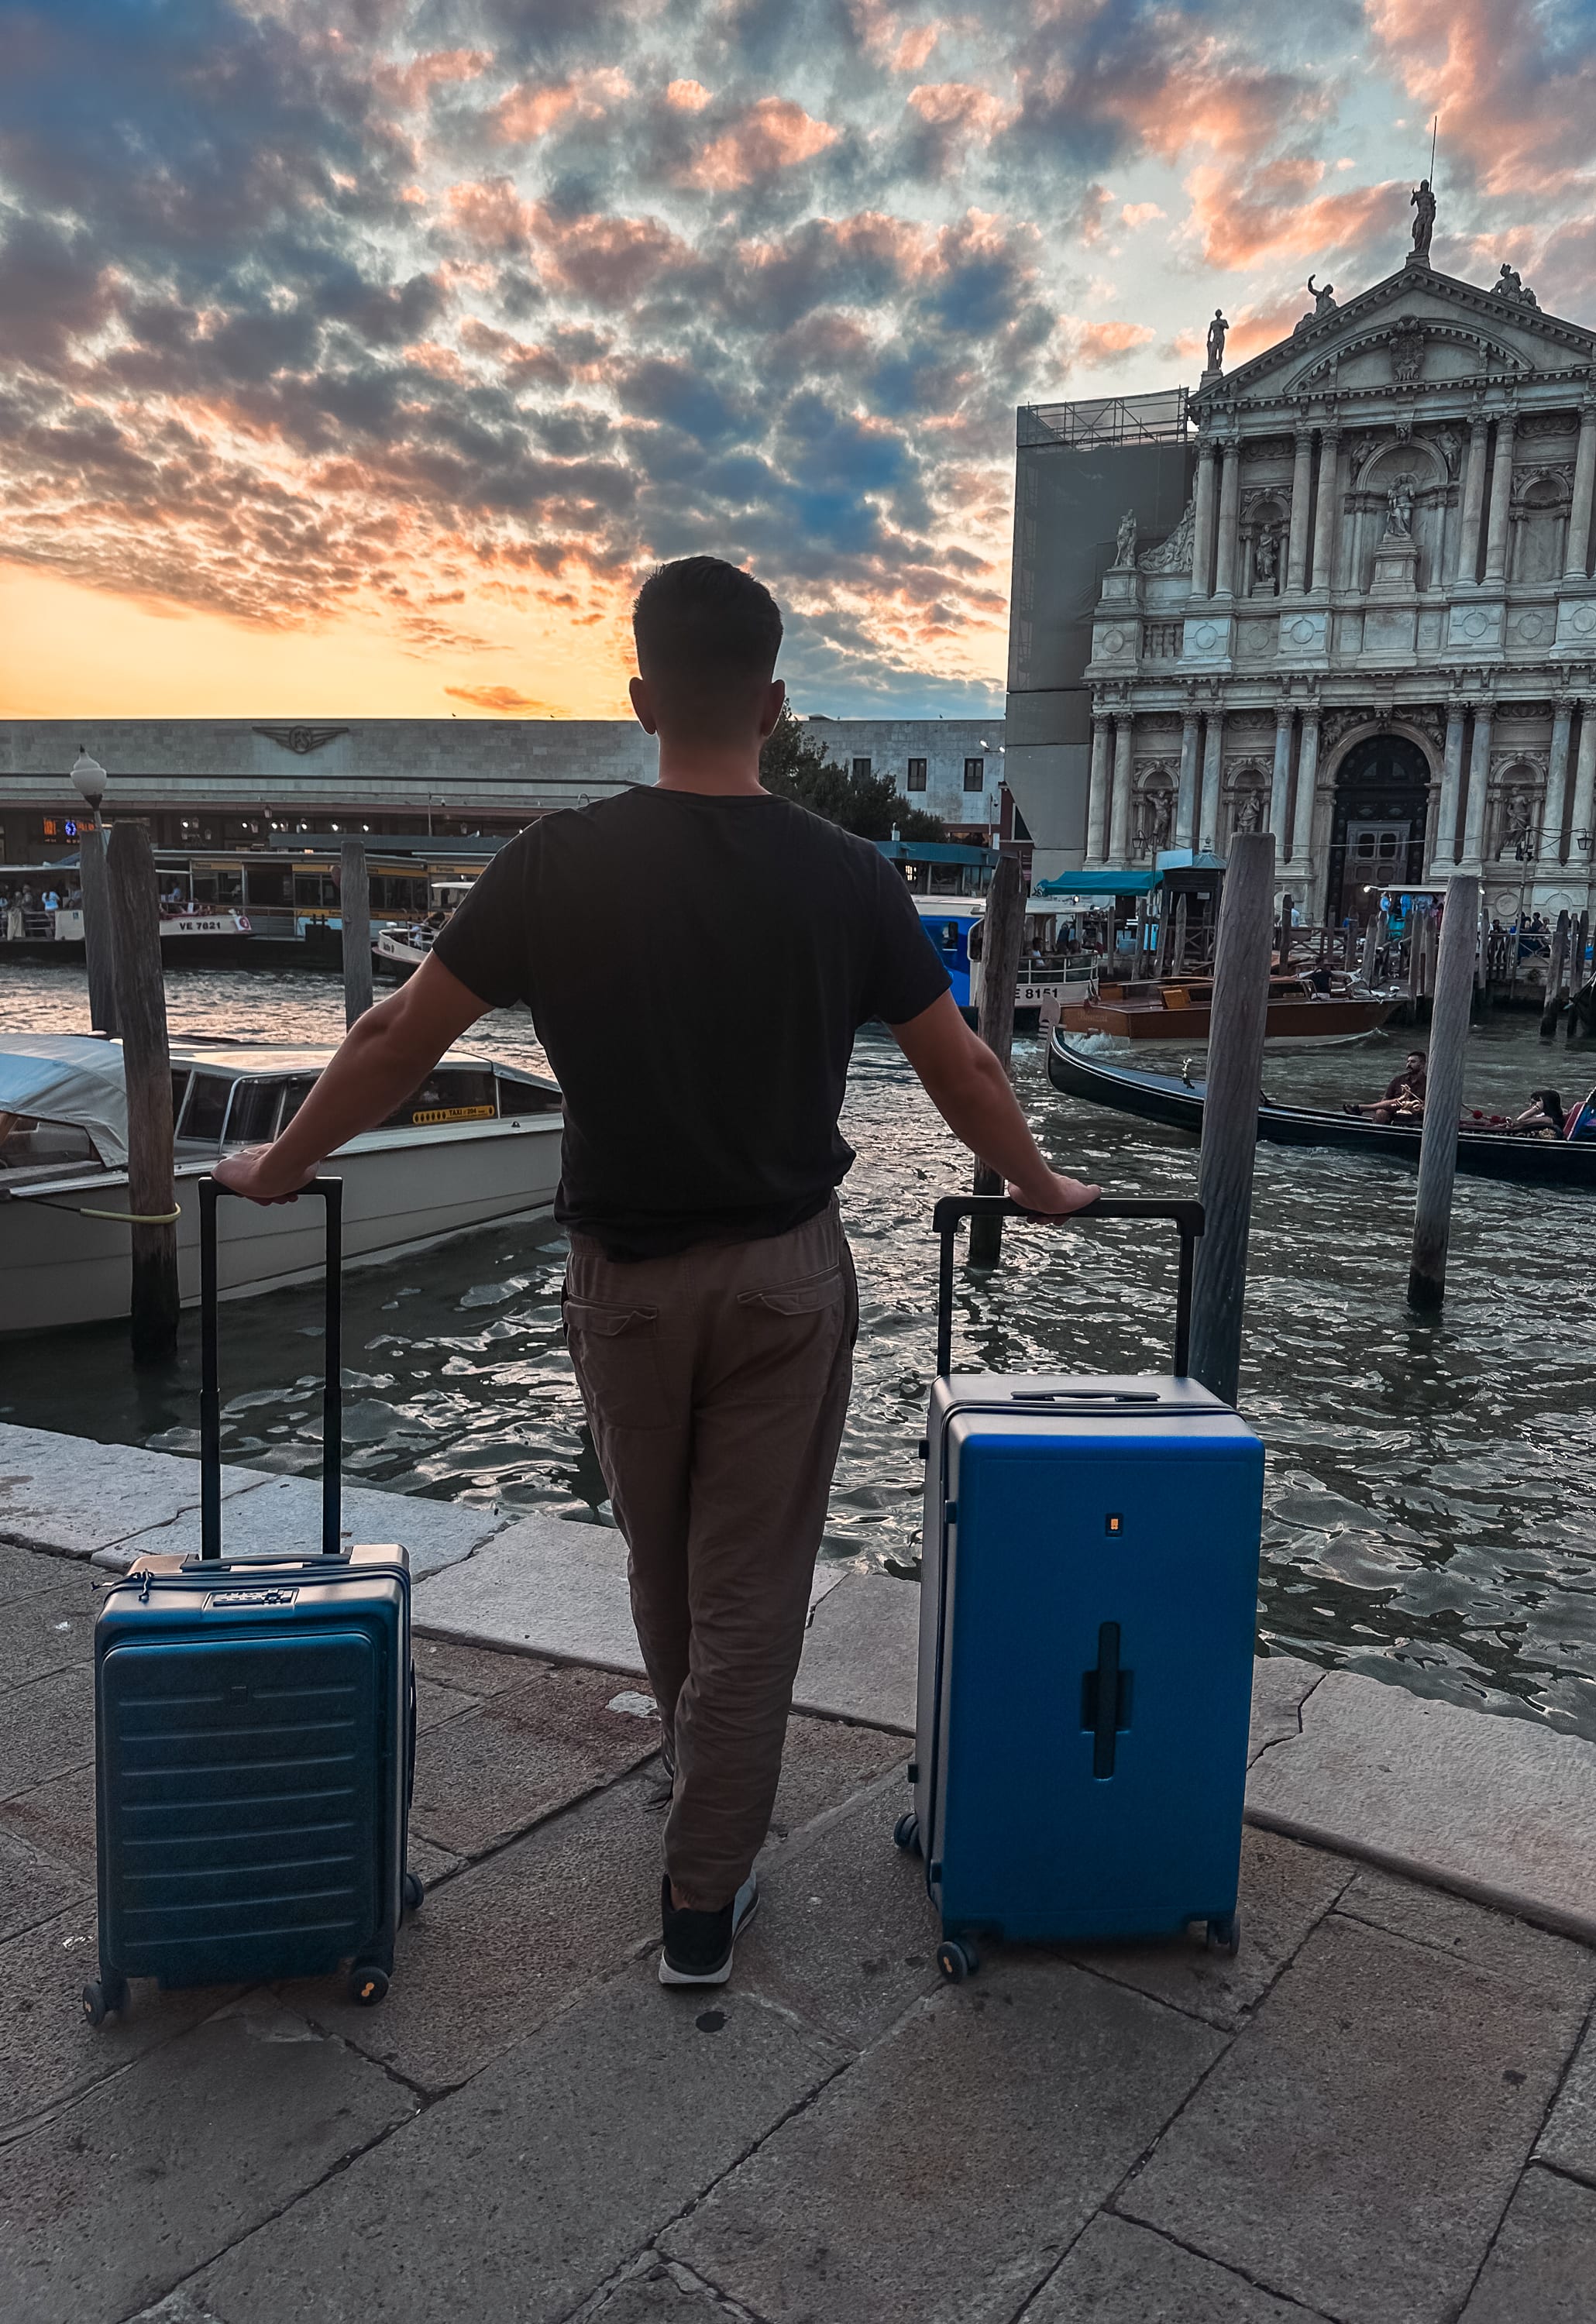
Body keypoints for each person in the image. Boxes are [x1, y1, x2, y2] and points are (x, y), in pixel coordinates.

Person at [213, 555, 1098, 1989]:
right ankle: (703, 1895)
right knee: (752, 1587)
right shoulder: (850, 875)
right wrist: (1043, 1187)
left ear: (639, 699)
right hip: (784, 1278)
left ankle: (696, 1780)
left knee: (663, 1558)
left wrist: (281, 1163)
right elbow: (967, 1065)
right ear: (777, 704)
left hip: (620, 1280)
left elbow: (393, 1041)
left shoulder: (555, 864)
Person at [1352, 1050, 1426, 1122]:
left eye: (1413, 1062)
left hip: (1416, 1112)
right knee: (1381, 1112)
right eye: (1408, 1062)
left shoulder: (1428, 1083)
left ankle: (1363, 1108)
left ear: (1422, 1065)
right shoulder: (1398, 1080)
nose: (1409, 1065)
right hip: (1394, 1109)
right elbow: (1385, 1100)